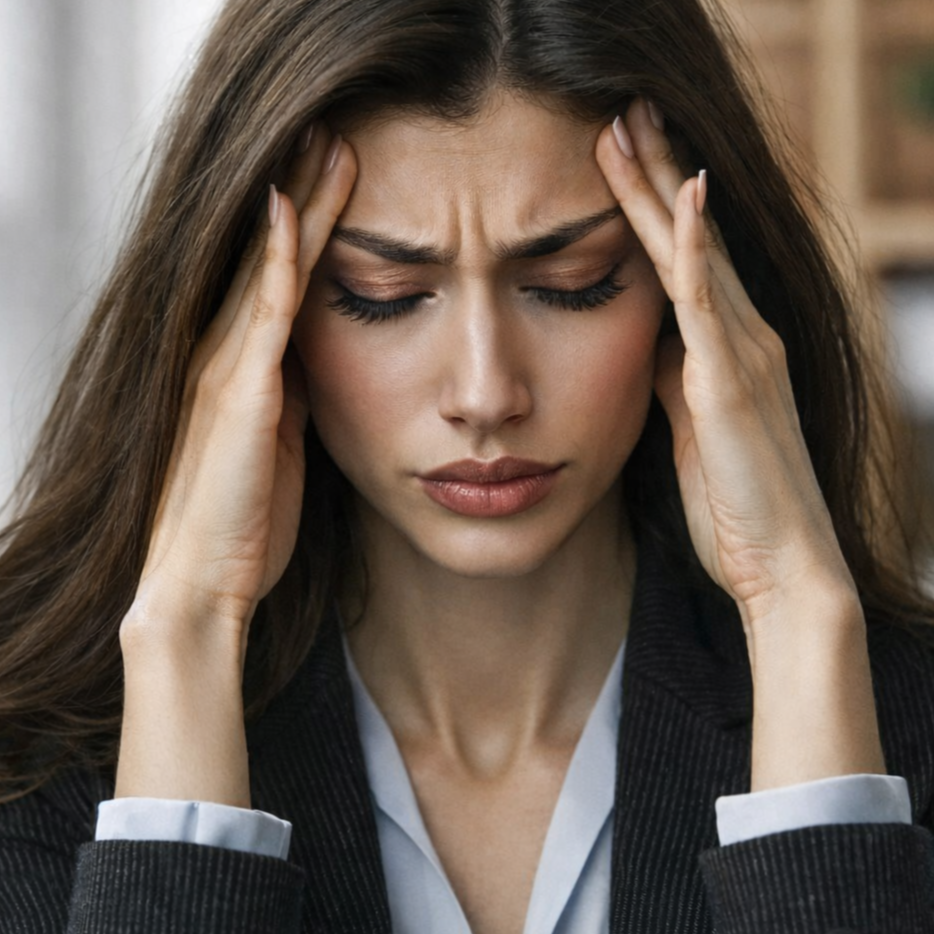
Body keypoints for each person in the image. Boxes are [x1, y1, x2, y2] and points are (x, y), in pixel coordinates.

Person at [1, 0, 933, 931]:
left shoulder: (891, 723)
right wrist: (187, 637)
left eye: (574, 284)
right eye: (384, 296)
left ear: (701, 296)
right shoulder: (32, 765)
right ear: (252, 319)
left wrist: (798, 613)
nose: (486, 394)